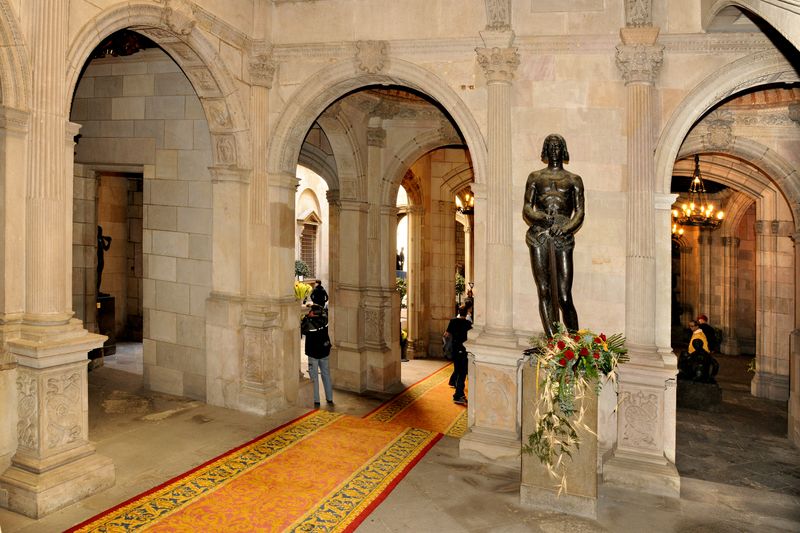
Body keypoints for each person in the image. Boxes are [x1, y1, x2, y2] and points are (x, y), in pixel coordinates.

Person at [522, 134, 585, 338]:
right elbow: (527, 208)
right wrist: (539, 217)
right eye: (551, 146)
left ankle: (575, 340)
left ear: (563, 149)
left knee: (565, 295)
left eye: (558, 146)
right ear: (546, 150)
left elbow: (580, 212)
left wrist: (566, 228)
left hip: (562, 237)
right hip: (539, 235)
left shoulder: (574, 179)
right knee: (544, 289)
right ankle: (552, 340)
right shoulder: (535, 177)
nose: (555, 150)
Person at [301, 304, 333, 407]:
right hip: (324, 351)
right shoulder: (325, 320)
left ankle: (316, 400)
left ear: (313, 313)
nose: (309, 312)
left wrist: (306, 317)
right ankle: (329, 398)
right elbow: (323, 312)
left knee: (314, 377)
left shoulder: (310, 324)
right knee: (326, 375)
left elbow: (302, 328)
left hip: (313, 353)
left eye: (310, 311)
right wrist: (314, 308)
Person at [444, 306, 472, 405]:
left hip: (455, 350)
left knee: (458, 369)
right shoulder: (468, 324)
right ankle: (458, 395)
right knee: (462, 373)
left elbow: (446, 335)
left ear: (459, 312)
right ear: (467, 312)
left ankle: (457, 389)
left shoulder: (453, 321)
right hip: (464, 350)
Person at [96, 225, 112, 295]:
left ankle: (97, 290)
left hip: (101, 259)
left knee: (99, 275)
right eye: (99, 231)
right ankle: (96, 290)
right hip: (97, 259)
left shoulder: (101, 239)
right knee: (97, 275)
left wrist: (109, 242)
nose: (100, 232)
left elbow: (105, 248)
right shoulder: (96, 238)